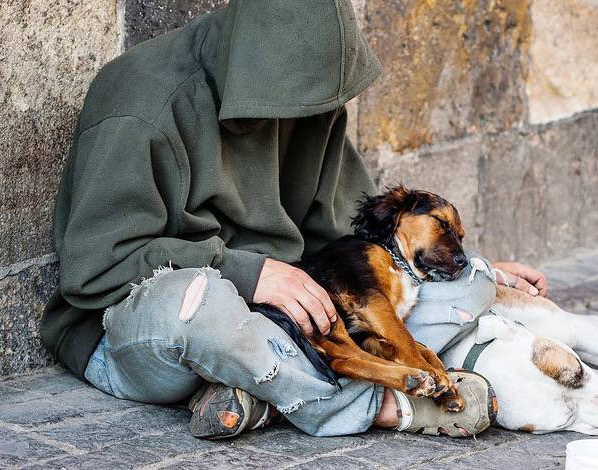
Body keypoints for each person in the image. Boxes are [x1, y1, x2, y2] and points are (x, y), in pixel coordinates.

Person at [41, 0, 549, 439]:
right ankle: (381, 407)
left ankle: (261, 393)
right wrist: (250, 273)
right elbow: (95, 269)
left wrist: (455, 265)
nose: (315, 116)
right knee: (202, 306)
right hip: (142, 328)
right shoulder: (141, 106)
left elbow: (352, 242)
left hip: (292, 321)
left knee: (470, 285)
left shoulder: (313, 100)